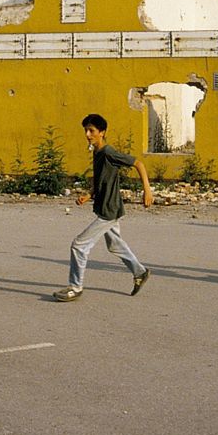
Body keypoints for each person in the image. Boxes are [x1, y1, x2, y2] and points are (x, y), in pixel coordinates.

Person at [54, 114, 153, 302]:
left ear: (102, 132)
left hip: (109, 209)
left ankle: (75, 287)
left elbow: (138, 163)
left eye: (91, 130)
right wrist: (89, 195)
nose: (87, 134)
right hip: (105, 206)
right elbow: (101, 180)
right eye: (86, 130)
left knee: (79, 245)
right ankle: (140, 272)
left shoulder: (108, 152)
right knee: (115, 244)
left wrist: (147, 191)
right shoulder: (97, 152)